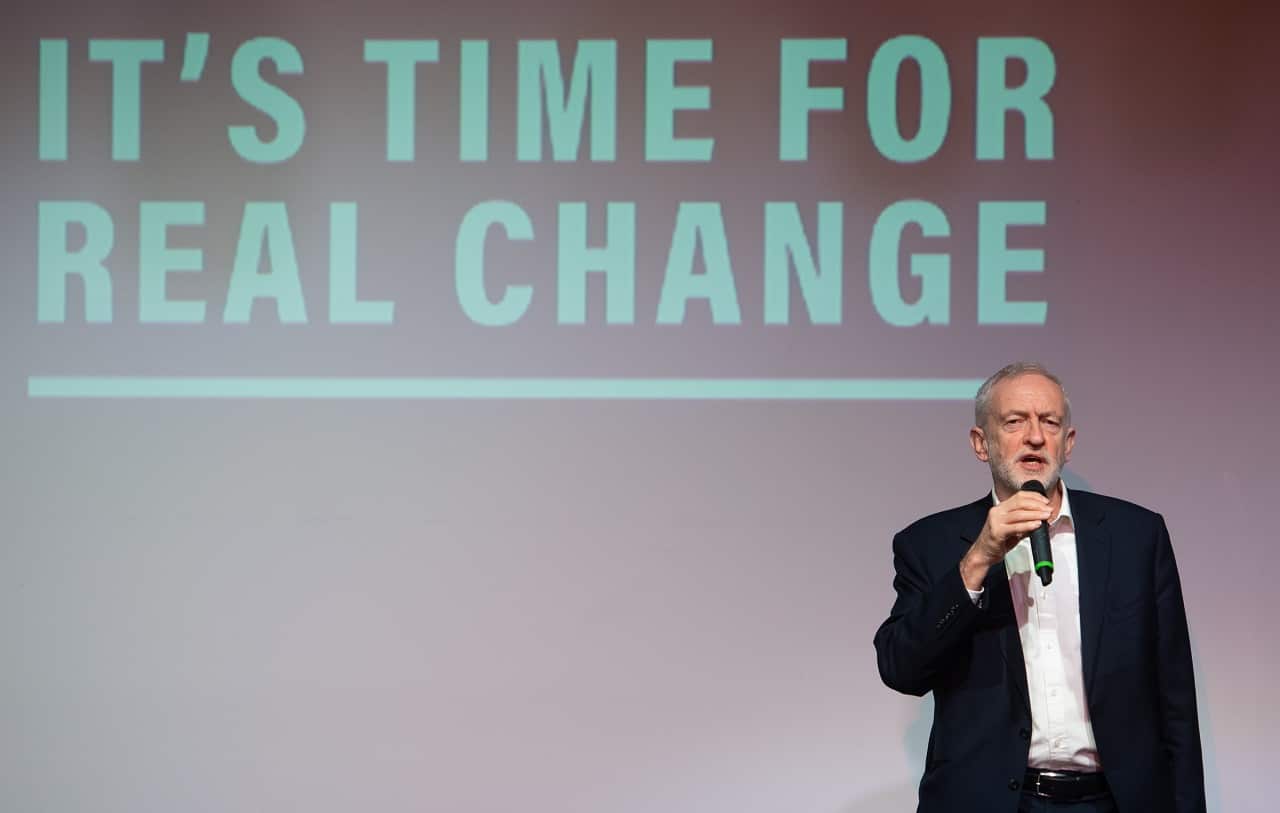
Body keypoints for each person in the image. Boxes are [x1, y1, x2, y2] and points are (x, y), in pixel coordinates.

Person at [873, 362, 1205, 813]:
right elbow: (901, 668)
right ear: (981, 443)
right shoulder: (930, 544)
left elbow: (1176, 700)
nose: (1034, 437)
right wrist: (978, 559)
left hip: (1114, 801)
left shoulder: (1136, 536)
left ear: (1068, 443)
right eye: (1014, 422)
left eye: (1049, 422)